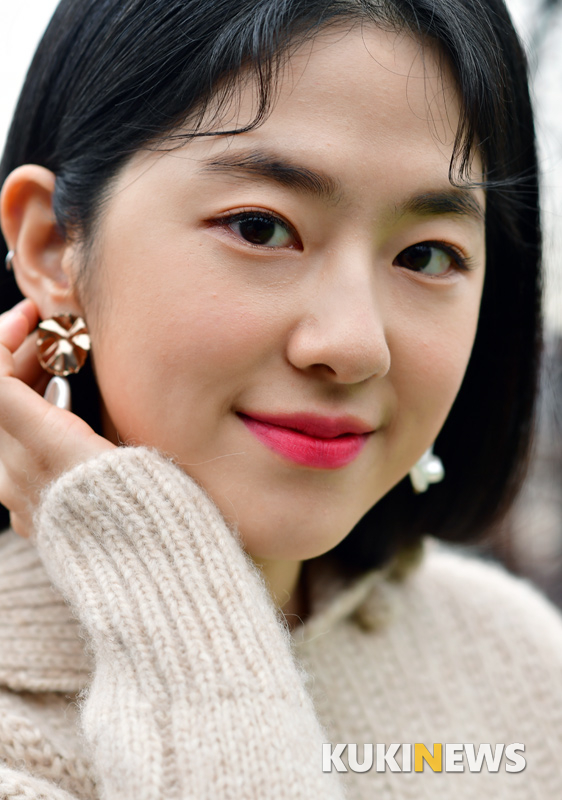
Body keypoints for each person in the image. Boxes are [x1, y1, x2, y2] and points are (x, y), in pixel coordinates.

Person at [0, 0, 560, 797]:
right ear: (52, 248)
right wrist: (177, 619)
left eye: (428, 253)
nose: (354, 344)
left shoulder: (519, 666)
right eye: (261, 227)